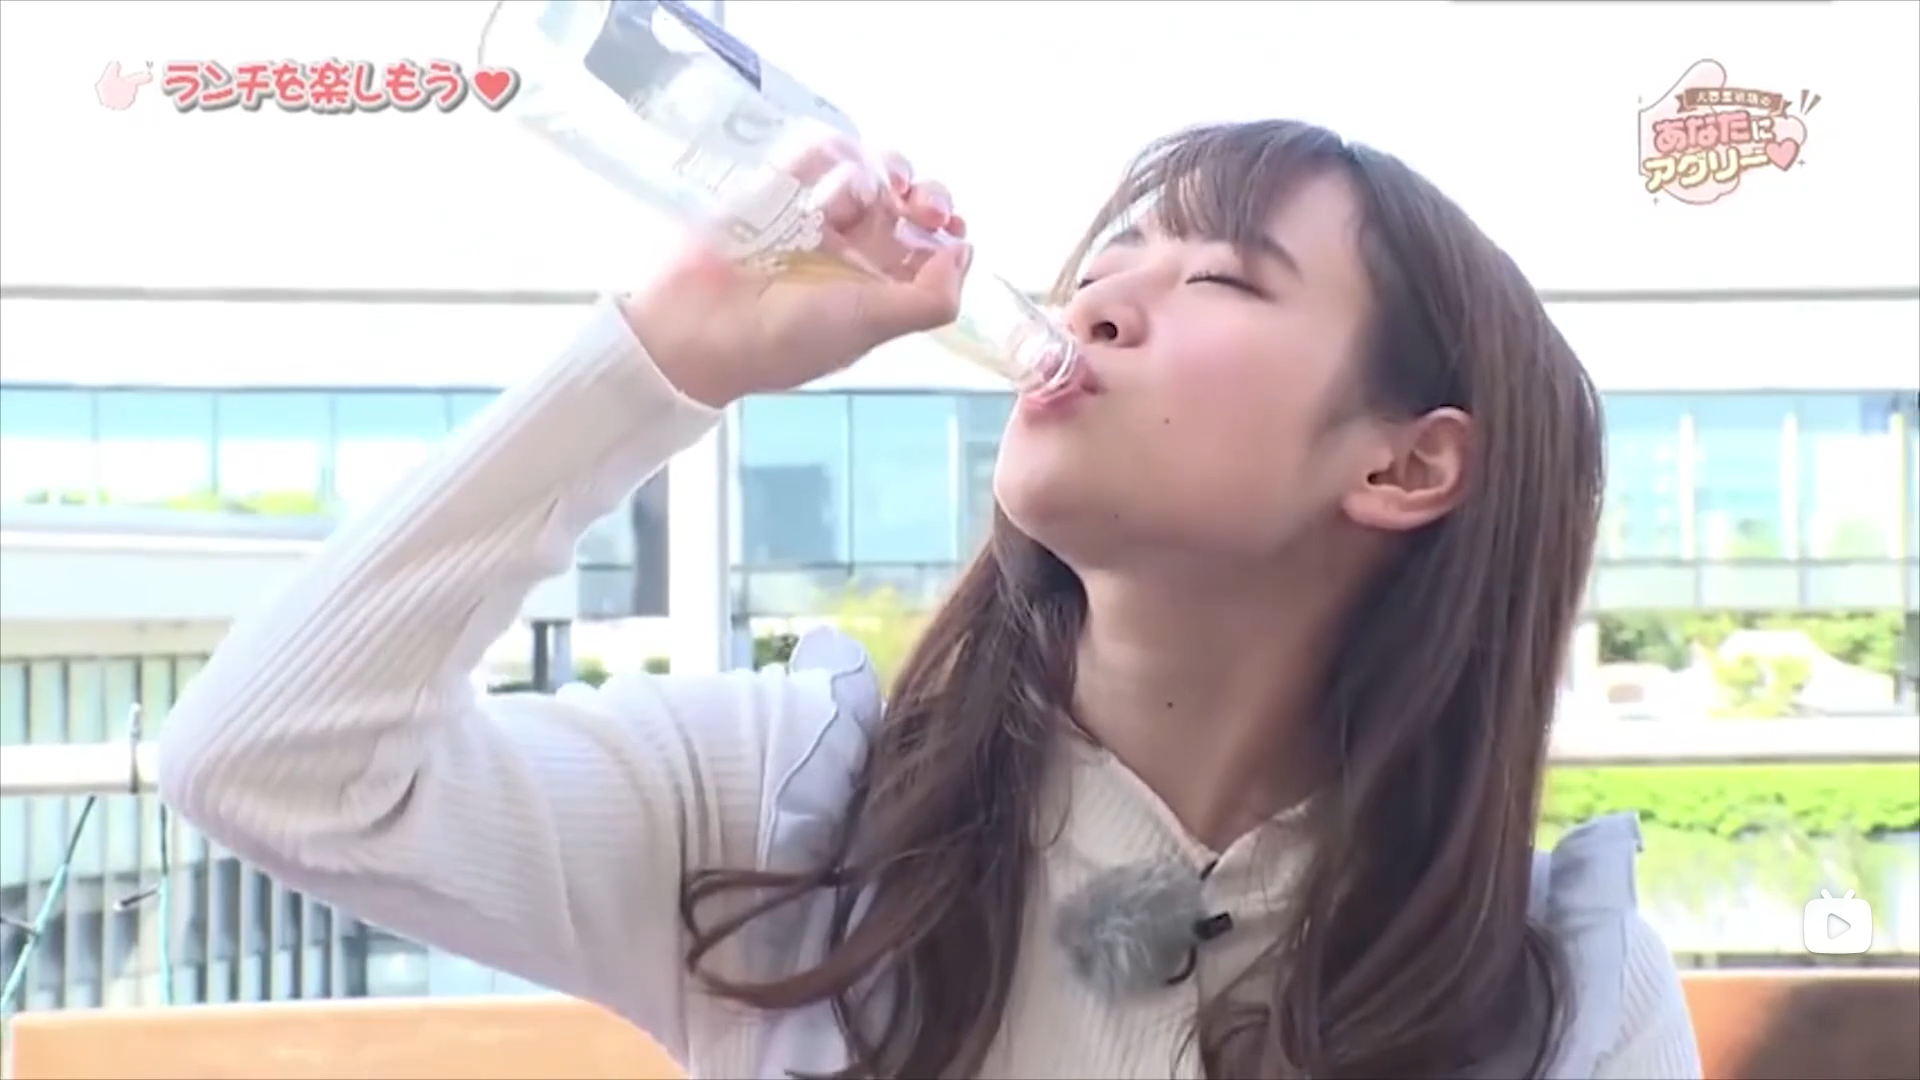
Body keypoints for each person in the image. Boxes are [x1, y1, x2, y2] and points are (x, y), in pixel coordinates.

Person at [157, 119, 1702, 1079]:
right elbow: (268, 763)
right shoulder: (785, 810)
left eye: (1220, 278)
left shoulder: (1558, 993)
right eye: (1108, 259)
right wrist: (665, 355)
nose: (1102, 299)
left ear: (1406, 466)